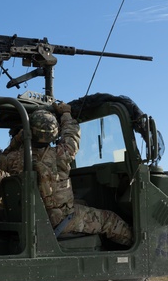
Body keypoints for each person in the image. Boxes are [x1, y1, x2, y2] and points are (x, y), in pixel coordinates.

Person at [28, 104, 133, 246]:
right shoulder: (59, 155)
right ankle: (137, 247)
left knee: (83, 203)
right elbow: (72, 136)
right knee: (110, 220)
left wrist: (19, 138)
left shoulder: (17, 158)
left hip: (36, 216)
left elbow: (4, 158)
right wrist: (65, 113)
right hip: (60, 220)